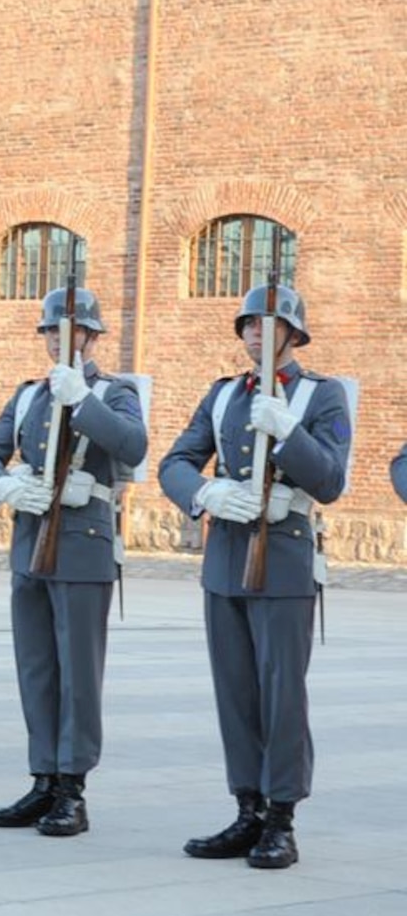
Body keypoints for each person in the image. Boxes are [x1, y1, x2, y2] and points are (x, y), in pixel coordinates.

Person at [158, 283, 350, 869]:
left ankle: (282, 818)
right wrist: (206, 491)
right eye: (247, 324)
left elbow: (331, 482)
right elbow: (176, 463)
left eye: (267, 325)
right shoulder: (223, 396)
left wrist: (290, 434)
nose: (254, 334)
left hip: (285, 560)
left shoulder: (322, 394)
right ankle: (247, 809)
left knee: (281, 693)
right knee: (236, 693)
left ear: (293, 333)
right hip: (226, 562)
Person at [0, 286, 146, 835]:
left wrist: (84, 403)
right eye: (49, 331)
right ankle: (43, 777)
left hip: (82, 547)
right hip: (30, 545)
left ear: (91, 338)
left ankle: (73, 786)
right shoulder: (29, 396)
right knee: (37, 670)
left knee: (78, 672)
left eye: (67, 332)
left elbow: (132, 446)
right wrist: (1, 485)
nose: (56, 340)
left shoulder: (114, 392)